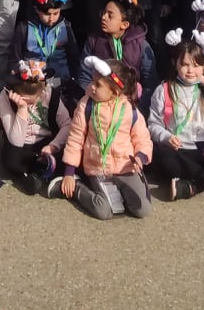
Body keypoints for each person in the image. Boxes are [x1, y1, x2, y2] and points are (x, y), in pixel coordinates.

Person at [60, 58, 152, 220]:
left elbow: (143, 139)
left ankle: (121, 192)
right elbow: (75, 139)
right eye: (92, 81)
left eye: (98, 84)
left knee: (142, 210)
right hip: (98, 169)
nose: (92, 87)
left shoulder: (130, 110)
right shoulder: (86, 106)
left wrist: (141, 157)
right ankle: (78, 188)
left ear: (115, 92)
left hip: (125, 169)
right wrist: (69, 172)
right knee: (104, 212)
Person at [147, 40, 204, 200]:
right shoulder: (164, 90)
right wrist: (166, 137)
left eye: (196, 65)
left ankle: (193, 185)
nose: (190, 70)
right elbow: (153, 124)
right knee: (163, 160)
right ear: (175, 64)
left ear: (203, 66)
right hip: (178, 150)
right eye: (185, 65)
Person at [0, 59, 68, 192]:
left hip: (46, 142)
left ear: (42, 92)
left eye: (33, 100)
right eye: (25, 99)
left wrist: (54, 146)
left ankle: (34, 175)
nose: (29, 104)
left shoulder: (49, 93)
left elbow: (67, 124)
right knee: (11, 161)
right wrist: (22, 108)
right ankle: (41, 174)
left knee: (67, 154)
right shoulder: (5, 96)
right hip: (21, 144)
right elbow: (16, 141)